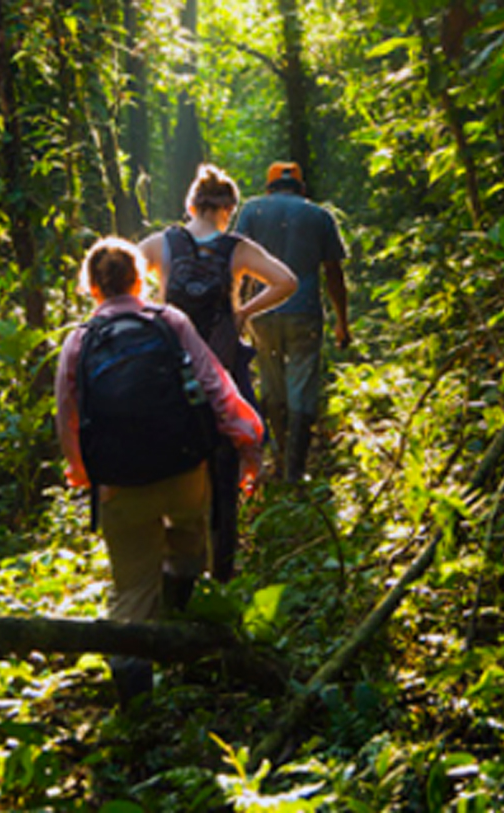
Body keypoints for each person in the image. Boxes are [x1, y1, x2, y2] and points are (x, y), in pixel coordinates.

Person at [55, 236, 264, 704]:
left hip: (119, 485)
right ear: (141, 280)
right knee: (190, 541)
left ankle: (135, 695)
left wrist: (81, 471)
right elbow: (217, 388)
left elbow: (67, 415)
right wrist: (250, 441)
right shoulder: (169, 322)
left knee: (131, 588)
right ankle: (180, 620)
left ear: (91, 288)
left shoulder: (79, 340)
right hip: (183, 471)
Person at [137, 164, 296, 582]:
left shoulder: (160, 244)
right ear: (229, 208)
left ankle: (174, 576)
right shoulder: (236, 249)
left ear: (191, 204)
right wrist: (243, 311)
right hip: (221, 381)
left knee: (172, 473)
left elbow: (122, 283)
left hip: (170, 379)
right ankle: (222, 572)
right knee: (224, 476)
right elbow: (287, 281)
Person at [235, 161, 351, 482]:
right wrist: (342, 321)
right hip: (305, 313)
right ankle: (296, 470)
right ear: (301, 187)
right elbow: (333, 272)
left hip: (262, 313)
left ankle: (281, 454)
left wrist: (238, 311)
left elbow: (238, 264)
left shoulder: (252, 211)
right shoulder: (319, 215)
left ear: (268, 186)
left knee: (271, 384)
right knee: (302, 385)